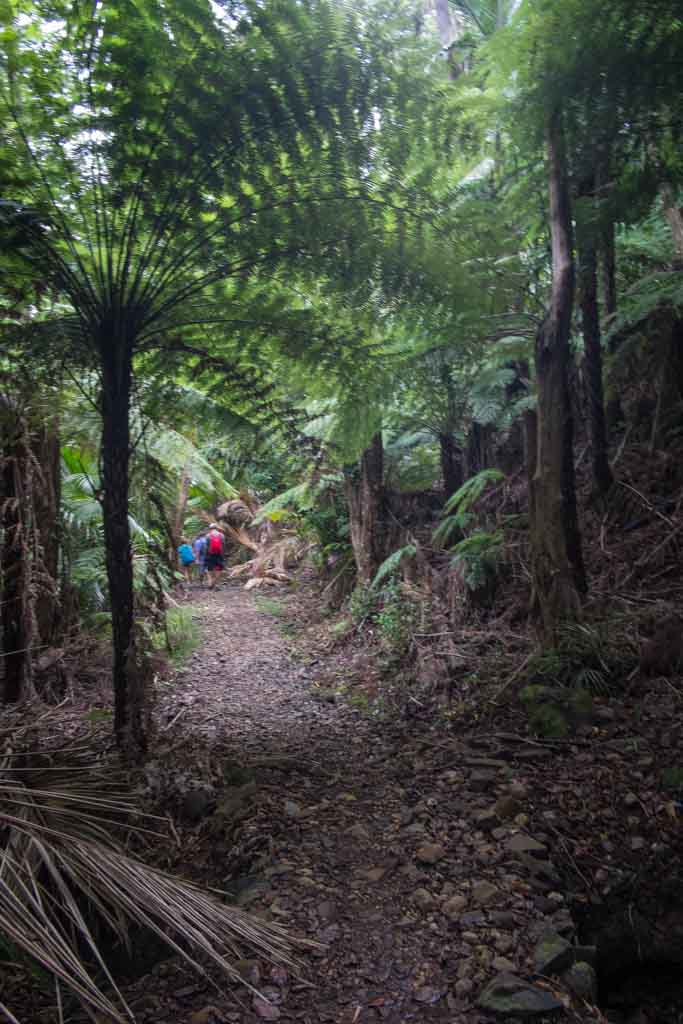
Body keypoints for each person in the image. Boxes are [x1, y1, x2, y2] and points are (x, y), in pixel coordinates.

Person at [205, 523, 225, 589]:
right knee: (219, 569)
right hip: (219, 554)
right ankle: (215, 583)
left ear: (210, 528)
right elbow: (223, 545)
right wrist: (223, 554)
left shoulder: (208, 535)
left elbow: (206, 546)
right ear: (216, 528)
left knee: (209, 569)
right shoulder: (221, 535)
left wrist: (206, 554)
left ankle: (210, 582)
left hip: (210, 554)